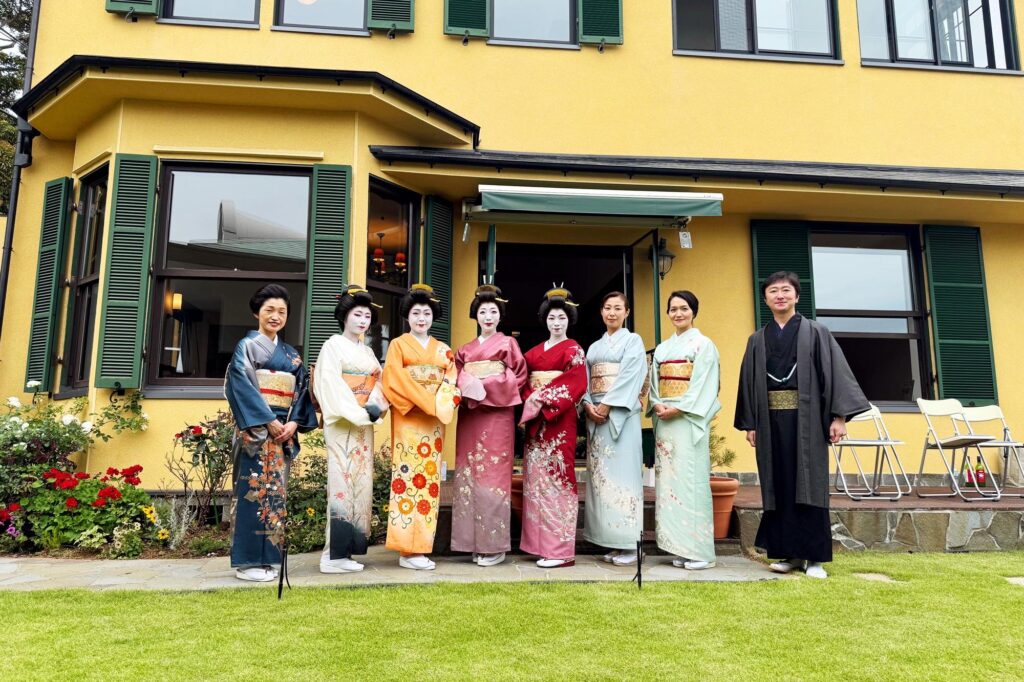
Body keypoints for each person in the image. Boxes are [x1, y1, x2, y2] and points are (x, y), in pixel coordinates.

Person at [735, 271, 868, 579]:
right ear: (765, 299)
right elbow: (748, 383)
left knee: (809, 485)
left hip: (807, 420)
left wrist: (839, 418)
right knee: (779, 484)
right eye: (773, 291)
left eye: (786, 290)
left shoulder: (817, 332)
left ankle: (815, 559)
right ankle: (789, 555)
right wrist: (751, 423)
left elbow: (836, 374)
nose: (780, 295)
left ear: (796, 296)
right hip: (770, 421)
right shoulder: (757, 340)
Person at [225, 284, 318, 583]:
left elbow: (301, 390)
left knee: (277, 493)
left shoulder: (292, 356)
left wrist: (293, 424)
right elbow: (241, 385)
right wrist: (267, 420)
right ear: (257, 313)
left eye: (282, 311)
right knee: (252, 491)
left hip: (281, 432)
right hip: (257, 430)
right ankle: (248, 562)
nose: (275, 316)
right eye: (269, 310)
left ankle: (269, 558)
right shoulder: (247, 346)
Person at [381, 284, 460, 570]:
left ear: (433, 316)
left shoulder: (444, 350)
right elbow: (393, 378)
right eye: (416, 313)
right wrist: (426, 401)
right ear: (407, 316)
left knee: (428, 481)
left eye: (426, 313)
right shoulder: (398, 345)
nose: (421, 318)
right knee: (407, 480)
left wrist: (438, 404)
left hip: (433, 423)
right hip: (409, 419)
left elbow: (451, 382)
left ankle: (421, 548)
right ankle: (407, 550)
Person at [313, 285, 389, 574]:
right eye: (357, 314)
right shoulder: (332, 346)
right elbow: (329, 384)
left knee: (361, 484)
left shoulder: (368, 351)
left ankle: (348, 552)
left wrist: (374, 407)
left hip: (363, 424)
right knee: (341, 485)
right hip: (343, 423)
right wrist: (358, 411)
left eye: (367, 316)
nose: (362, 321)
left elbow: (379, 383)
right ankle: (331, 556)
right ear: (344, 316)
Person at [453, 284, 528, 567]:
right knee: (469, 475)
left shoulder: (508, 344)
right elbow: (457, 375)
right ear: (476, 315)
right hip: (471, 415)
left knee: (493, 477)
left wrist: (484, 387)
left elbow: (519, 376)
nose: (488, 316)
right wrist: (469, 386)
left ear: (500, 316)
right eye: (483, 311)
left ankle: (494, 545)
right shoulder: (465, 349)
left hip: (497, 415)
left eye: (493, 312)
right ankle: (471, 542)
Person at [647, 291, 721, 570]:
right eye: (673, 309)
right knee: (669, 485)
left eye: (684, 308)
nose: (678, 313)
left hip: (688, 419)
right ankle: (679, 547)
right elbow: (655, 382)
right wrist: (657, 403)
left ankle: (700, 551)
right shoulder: (663, 349)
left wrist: (680, 408)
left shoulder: (704, 345)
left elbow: (705, 384)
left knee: (691, 482)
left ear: (694, 312)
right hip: (666, 419)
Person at [520, 287, 588, 568]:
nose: (556, 323)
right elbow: (523, 381)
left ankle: (560, 551)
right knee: (535, 481)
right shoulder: (533, 353)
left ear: (569, 320)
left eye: (561, 318)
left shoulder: (574, 350)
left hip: (559, 421)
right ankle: (539, 546)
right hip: (537, 422)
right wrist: (531, 399)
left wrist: (542, 398)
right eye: (551, 318)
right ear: (544, 320)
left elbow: (577, 382)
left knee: (558, 478)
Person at [582, 292, 647, 566]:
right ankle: (612, 541)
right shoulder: (594, 347)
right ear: (601, 312)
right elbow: (584, 379)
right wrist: (587, 404)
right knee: (602, 481)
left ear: (627, 312)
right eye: (607, 308)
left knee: (625, 478)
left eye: (618, 308)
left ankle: (631, 545)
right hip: (597, 417)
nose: (612, 313)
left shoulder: (633, 341)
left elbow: (632, 375)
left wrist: (607, 406)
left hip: (621, 416)